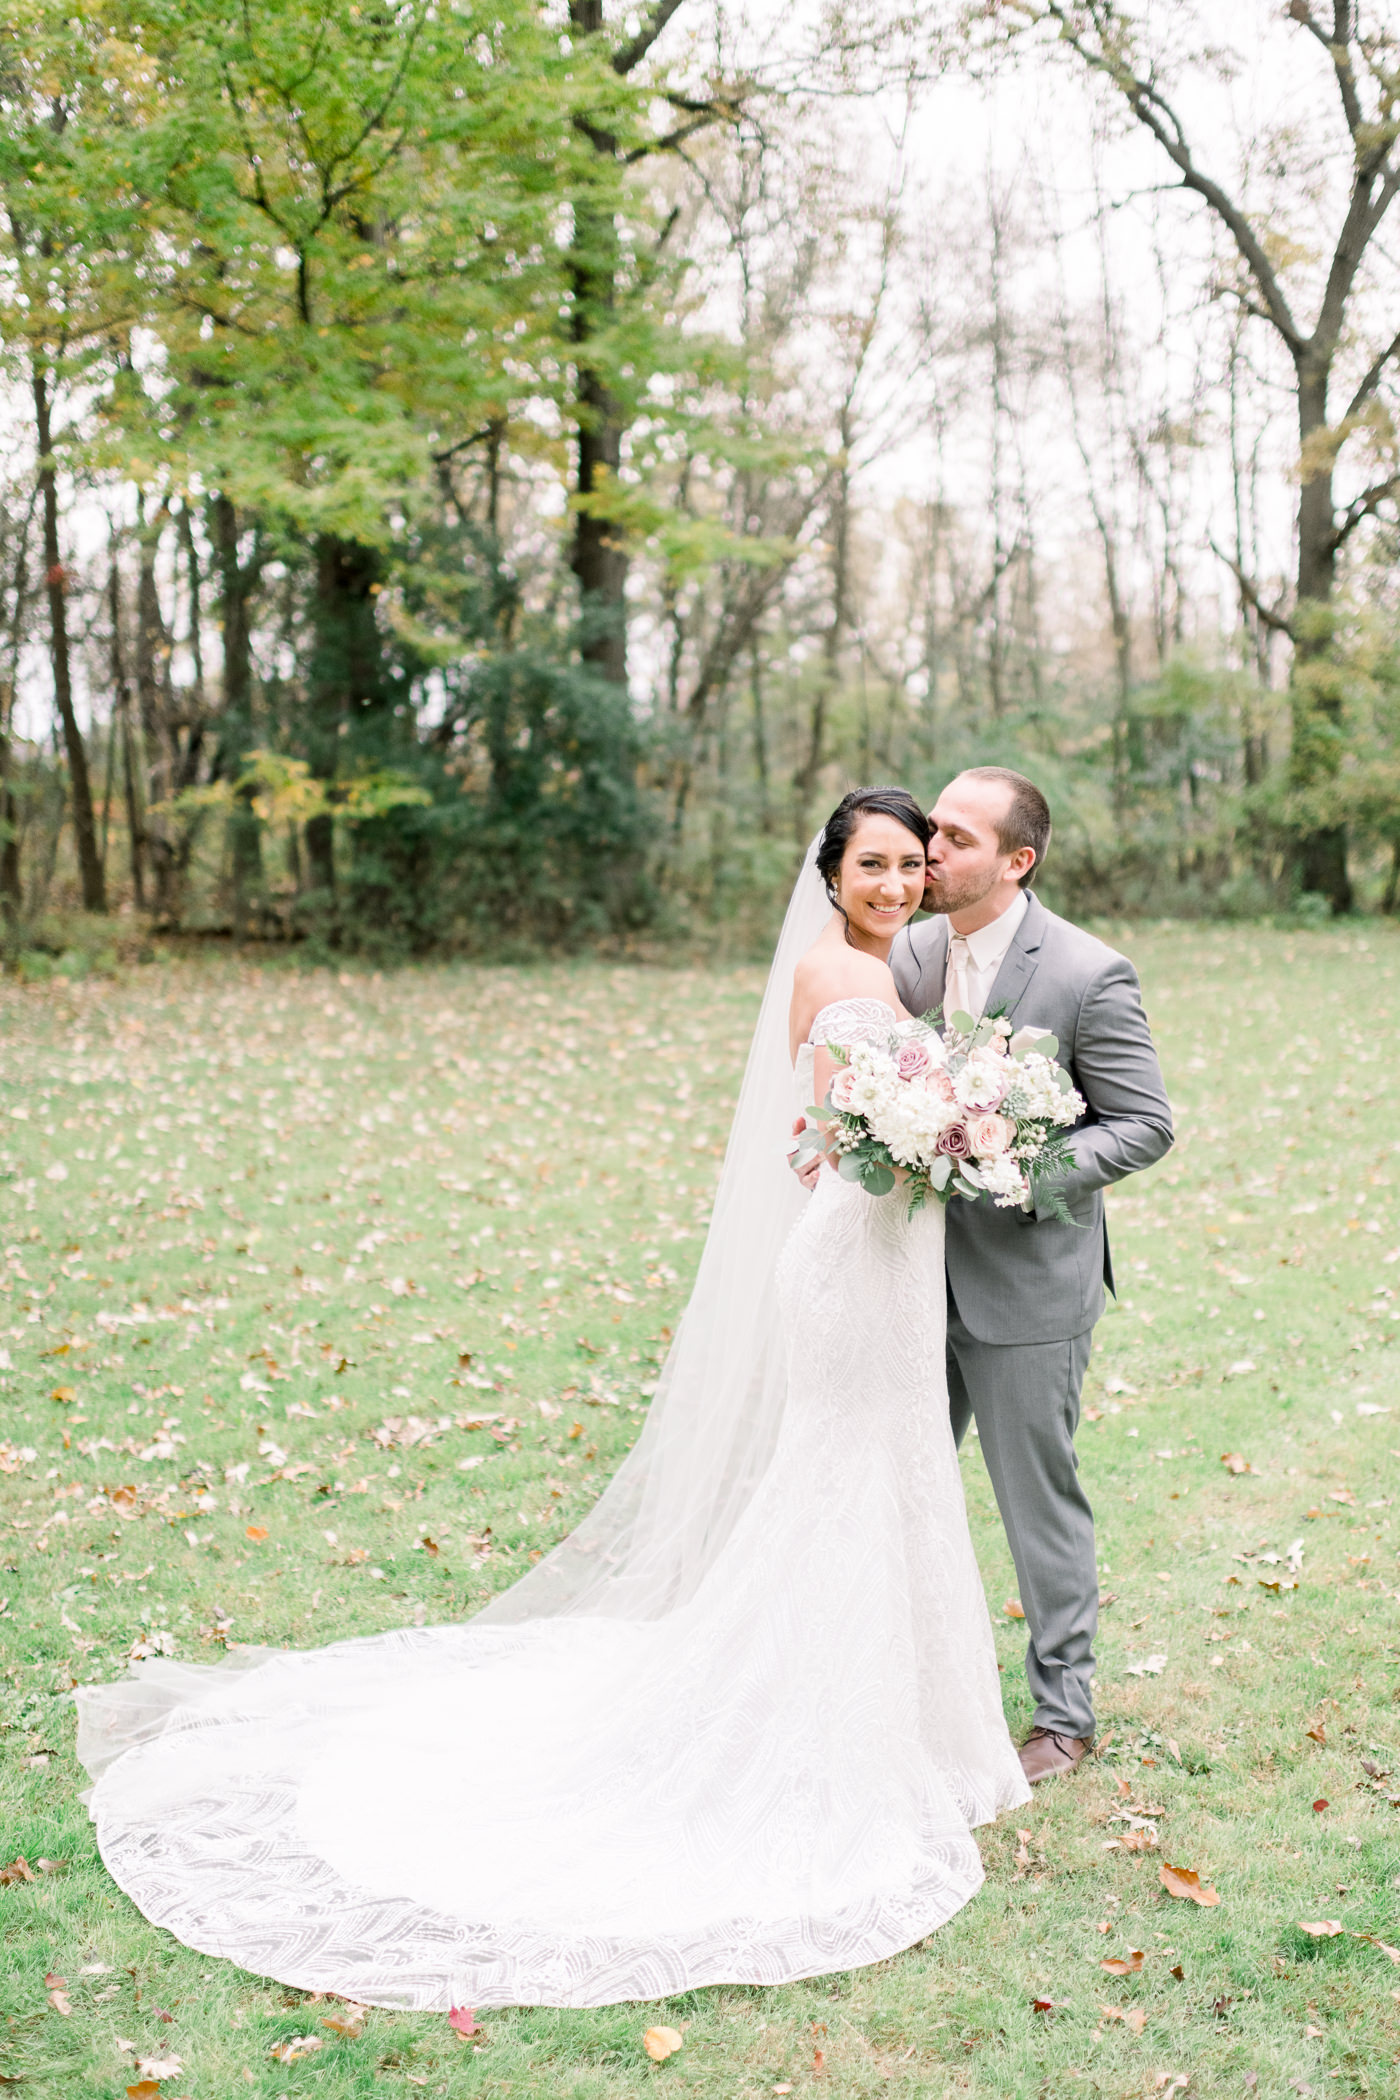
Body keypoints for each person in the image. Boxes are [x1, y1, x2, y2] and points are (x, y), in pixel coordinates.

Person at [73, 786, 1029, 2014]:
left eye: (909, 865)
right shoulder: (826, 972)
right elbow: (847, 1130)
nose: (895, 883)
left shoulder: (882, 973)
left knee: (896, 1466)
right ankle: (809, 1735)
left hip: (893, 1258)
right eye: (872, 865)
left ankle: (922, 1735)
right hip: (850, 1268)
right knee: (839, 1474)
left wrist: (946, 1125)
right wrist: (934, 1126)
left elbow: (812, 1129)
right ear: (830, 872)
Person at [888, 767, 1172, 1781]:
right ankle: (885, 1685)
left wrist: (1019, 1168)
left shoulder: (1089, 974)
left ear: (1017, 861)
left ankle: (1063, 1715)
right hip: (908, 1282)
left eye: (956, 839)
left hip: (1026, 1289)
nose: (930, 850)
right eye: (929, 829)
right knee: (887, 1486)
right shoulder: (907, 953)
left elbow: (1143, 1124)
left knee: (1032, 1501)